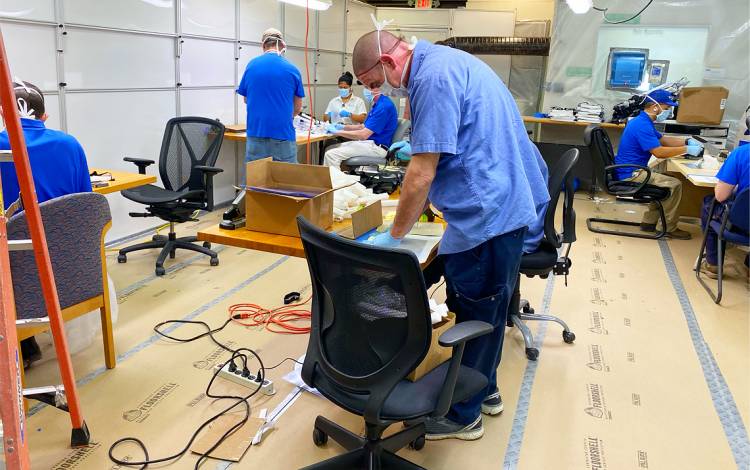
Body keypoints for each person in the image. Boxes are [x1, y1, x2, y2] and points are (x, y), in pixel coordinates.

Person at [352, 30, 549, 441]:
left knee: (479, 315)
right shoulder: (449, 62)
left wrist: (397, 235)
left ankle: (463, 416)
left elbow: (421, 173)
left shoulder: (431, 79)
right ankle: (486, 392)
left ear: (387, 64)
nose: (377, 90)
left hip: (488, 216)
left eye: (373, 83)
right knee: (486, 309)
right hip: (502, 205)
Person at [0, 79, 92, 368]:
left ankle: (24, 344)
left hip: (19, 263)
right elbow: (85, 203)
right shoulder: (70, 144)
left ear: (4, 115)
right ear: (44, 117)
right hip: (70, 261)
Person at [614, 89, 703, 240]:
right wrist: (686, 149)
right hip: (631, 175)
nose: (668, 112)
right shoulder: (642, 125)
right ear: (655, 107)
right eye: (667, 108)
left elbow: (663, 140)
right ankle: (669, 228)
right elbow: (659, 152)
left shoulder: (642, 121)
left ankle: (649, 222)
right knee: (674, 184)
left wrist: (687, 141)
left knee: (666, 179)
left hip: (631, 170)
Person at [236, 28, 304, 169]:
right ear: (282, 45)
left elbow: (246, 100)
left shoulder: (251, 66)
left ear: (263, 45)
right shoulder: (292, 69)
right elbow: (297, 108)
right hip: (283, 135)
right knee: (286, 184)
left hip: (256, 134)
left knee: (256, 185)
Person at [699, 144, 749, 279]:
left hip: (743, 224)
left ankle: (713, 264)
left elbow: (721, 195)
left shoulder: (742, 153)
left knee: (710, 205)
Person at [322, 85, 397, 168]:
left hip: (377, 148)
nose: (365, 90)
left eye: (367, 87)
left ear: (378, 88)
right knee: (330, 148)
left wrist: (337, 132)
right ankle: (335, 178)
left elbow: (363, 135)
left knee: (331, 155)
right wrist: (341, 127)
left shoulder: (383, 106)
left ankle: (337, 181)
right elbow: (362, 127)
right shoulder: (378, 104)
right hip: (369, 144)